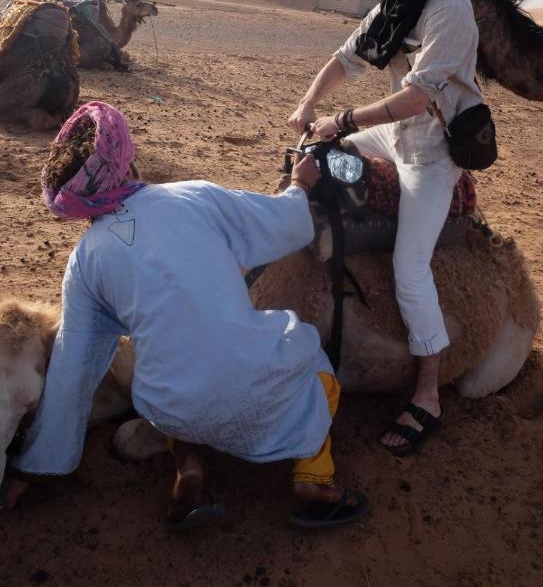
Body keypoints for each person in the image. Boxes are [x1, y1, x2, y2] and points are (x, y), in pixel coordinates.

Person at [4, 101, 369, 529]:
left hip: (172, 410)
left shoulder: (85, 262)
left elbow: (74, 366)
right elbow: (285, 223)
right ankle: (315, 478)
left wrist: (38, 464)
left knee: (165, 378)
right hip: (256, 387)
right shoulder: (193, 196)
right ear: (129, 159)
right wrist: (298, 185)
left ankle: (189, 468)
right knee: (315, 363)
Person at [289, 0, 482, 456]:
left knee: (409, 266)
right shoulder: (396, 3)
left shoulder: (450, 9)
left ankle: (427, 395)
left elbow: (417, 98)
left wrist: (343, 119)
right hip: (393, 137)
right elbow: (345, 59)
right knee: (315, 157)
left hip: (432, 151)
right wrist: (307, 105)